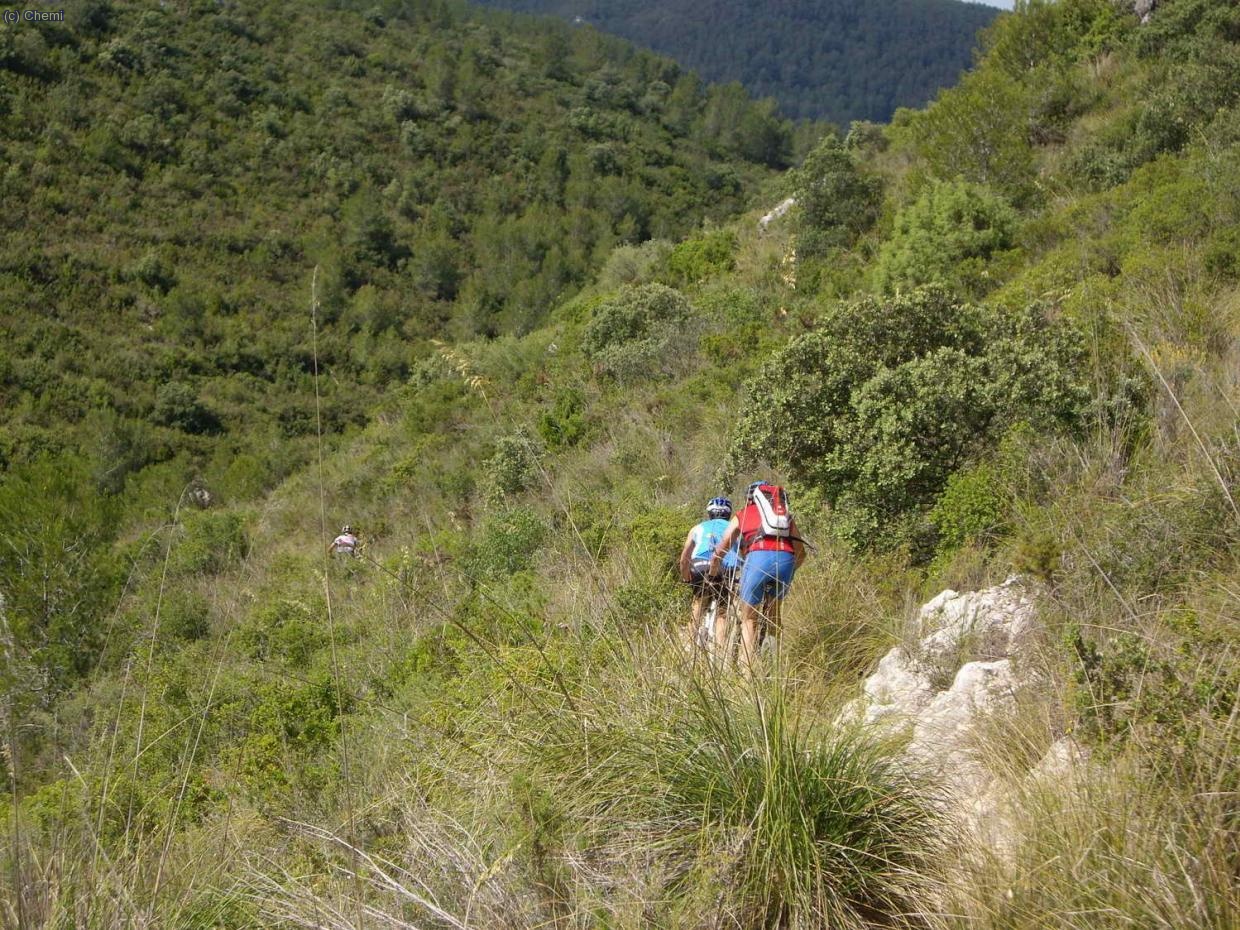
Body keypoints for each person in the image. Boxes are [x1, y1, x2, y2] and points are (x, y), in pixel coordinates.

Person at [708, 482, 806, 672]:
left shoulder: (743, 513)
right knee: (774, 617)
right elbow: (801, 552)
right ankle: (775, 669)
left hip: (757, 558)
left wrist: (713, 572)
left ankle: (747, 674)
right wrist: (790, 573)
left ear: (750, 499)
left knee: (749, 620)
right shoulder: (784, 515)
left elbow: (723, 547)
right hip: (785, 561)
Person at [678, 497, 740, 649]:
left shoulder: (697, 528)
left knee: (699, 601)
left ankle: (688, 644)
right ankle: (720, 650)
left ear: (709, 513)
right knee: (722, 612)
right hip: (725, 568)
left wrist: (686, 578)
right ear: (728, 513)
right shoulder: (736, 528)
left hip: (699, 565)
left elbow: (685, 557)